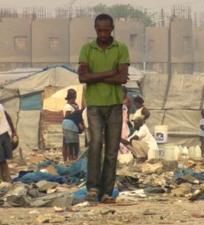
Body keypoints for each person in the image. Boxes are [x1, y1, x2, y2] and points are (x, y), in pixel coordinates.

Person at [78, 14, 130, 203]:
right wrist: (110, 72)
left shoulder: (121, 48)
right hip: (94, 106)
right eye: (100, 30)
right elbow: (82, 77)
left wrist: (95, 76)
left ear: (112, 28)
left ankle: (107, 191)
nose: (103, 34)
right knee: (95, 144)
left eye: (106, 30)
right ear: (95, 29)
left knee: (111, 150)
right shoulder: (87, 49)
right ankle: (92, 187)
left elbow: (122, 78)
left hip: (115, 105)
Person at [62, 89, 81, 162]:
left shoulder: (75, 105)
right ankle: (67, 161)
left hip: (73, 128)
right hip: (69, 128)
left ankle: (70, 161)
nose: (75, 98)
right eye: (74, 97)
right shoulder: (68, 107)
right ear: (71, 97)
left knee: (73, 145)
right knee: (69, 145)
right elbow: (68, 118)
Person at [0, 104, 17, 182]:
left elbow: (8, 118)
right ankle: (5, 178)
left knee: (3, 158)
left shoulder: (0, 106)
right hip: (4, 134)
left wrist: (13, 131)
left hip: (4, 134)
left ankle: (6, 178)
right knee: (1, 159)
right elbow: (8, 118)